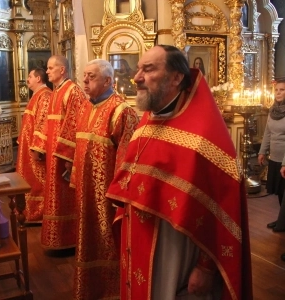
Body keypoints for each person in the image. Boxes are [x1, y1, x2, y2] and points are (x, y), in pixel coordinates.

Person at [106, 45, 253, 299]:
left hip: (176, 254)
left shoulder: (203, 138)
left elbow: (223, 210)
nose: (137, 77)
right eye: (139, 68)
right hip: (139, 242)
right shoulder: (147, 123)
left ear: (176, 78)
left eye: (148, 69)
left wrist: (206, 268)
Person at [68, 59, 138, 299]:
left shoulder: (122, 110)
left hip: (107, 196)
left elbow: (127, 157)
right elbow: (80, 149)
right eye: (84, 76)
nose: (85, 81)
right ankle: (90, 287)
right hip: (85, 192)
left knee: (108, 241)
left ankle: (113, 290)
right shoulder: (86, 107)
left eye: (92, 77)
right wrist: (76, 178)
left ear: (108, 80)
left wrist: (119, 194)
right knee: (87, 239)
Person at [31, 55, 87, 250]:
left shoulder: (73, 91)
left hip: (63, 156)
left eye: (50, 68)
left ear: (62, 70)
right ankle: (58, 239)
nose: (47, 71)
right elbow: (47, 123)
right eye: (47, 68)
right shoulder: (56, 92)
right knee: (54, 194)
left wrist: (68, 156)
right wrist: (40, 146)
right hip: (53, 154)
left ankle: (69, 239)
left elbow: (75, 125)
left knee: (65, 196)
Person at [16, 68, 52, 223]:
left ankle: (39, 212)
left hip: (35, 149)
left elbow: (42, 124)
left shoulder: (45, 95)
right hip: (28, 147)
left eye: (30, 76)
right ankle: (27, 211)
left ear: (38, 78)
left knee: (38, 181)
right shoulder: (37, 95)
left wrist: (38, 148)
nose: (27, 79)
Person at [258, 78, 285, 231]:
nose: (278, 93)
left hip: (284, 159)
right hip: (274, 157)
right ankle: (282, 220)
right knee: (280, 193)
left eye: (282, 90)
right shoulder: (273, 109)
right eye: (277, 90)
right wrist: (262, 151)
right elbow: (268, 132)